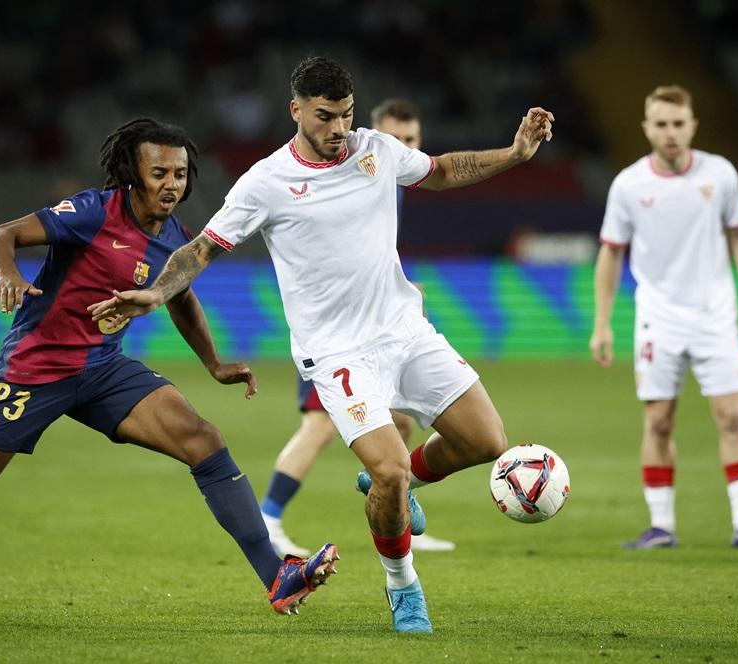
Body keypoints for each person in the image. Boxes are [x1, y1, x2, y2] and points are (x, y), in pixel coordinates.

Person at [0, 117, 339, 615]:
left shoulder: (174, 235)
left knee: (203, 440)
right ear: (133, 174)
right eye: (159, 173)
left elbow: (181, 299)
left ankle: (276, 576)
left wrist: (214, 363)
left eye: (179, 174)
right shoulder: (91, 212)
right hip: (33, 372)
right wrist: (8, 273)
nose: (172, 184)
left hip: (103, 370)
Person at [89, 57, 554, 633]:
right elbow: (201, 249)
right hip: (338, 355)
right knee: (388, 474)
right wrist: (156, 293)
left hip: (405, 330)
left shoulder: (376, 150)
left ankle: (401, 483)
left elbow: (440, 170)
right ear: (296, 110)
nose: (339, 128)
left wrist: (514, 154)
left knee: (486, 441)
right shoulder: (266, 181)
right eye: (325, 116)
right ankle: (403, 585)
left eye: (346, 115)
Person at [260, 98, 455, 558]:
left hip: (377, 331)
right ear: (374, 135)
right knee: (318, 427)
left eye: (411, 140)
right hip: (333, 335)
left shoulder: (393, 185)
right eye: (395, 138)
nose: (403, 146)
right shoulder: (350, 173)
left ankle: (397, 503)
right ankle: (268, 518)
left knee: (401, 419)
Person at [590, 85, 738, 550]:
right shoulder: (629, 185)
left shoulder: (721, 174)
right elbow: (611, 252)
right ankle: (661, 526)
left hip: (716, 315)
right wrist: (602, 323)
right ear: (647, 128)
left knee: (731, 417)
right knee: (659, 421)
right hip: (658, 319)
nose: (670, 133)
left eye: (678, 124)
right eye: (661, 124)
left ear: (692, 126)